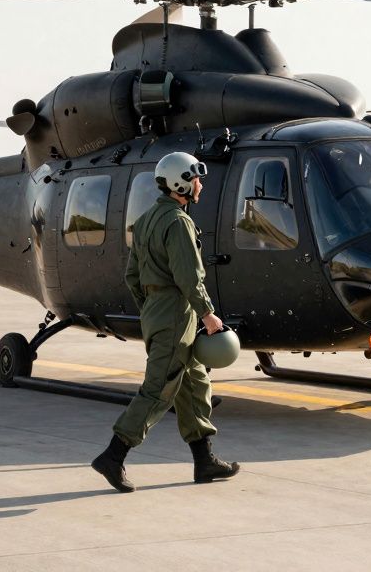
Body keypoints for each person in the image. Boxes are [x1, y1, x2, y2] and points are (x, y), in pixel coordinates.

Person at [91, 151, 240, 492]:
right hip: (177, 313)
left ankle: (204, 461)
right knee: (159, 389)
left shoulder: (145, 221)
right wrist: (207, 313)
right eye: (196, 179)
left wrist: (152, 308)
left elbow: (132, 276)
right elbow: (188, 275)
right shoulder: (178, 222)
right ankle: (113, 456)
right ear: (181, 184)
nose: (200, 185)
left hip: (161, 311)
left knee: (195, 384)